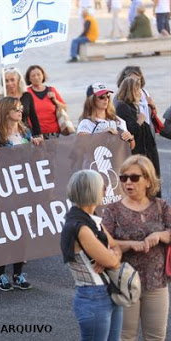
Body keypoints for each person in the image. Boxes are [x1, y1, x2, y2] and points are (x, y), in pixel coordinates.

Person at [102, 155, 170, 340]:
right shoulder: (112, 210)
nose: (128, 182)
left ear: (148, 180)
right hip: (124, 282)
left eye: (134, 177)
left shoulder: (161, 206)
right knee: (125, 337)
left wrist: (159, 235)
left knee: (156, 337)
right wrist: (131, 245)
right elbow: (103, 244)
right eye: (124, 178)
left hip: (156, 282)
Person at [61, 169, 123, 341]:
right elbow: (114, 260)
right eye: (102, 187)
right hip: (94, 297)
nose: (105, 190)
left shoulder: (91, 220)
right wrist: (110, 256)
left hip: (108, 293)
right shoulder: (81, 227)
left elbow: (116, 248)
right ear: (91, 191)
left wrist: (110, 255)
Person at [0, 97, 43, 291]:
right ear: (6, 111)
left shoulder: (25, 133)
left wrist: (36, 145)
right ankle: (0, 273)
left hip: (23, 188)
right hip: (6, 190)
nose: (20, 111)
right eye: (16, 108)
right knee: (6, 232)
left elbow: (33, 159)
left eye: (21, 108)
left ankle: (18, 273)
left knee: (22, 231)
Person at [115, 77, 160, 180]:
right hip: (135, 151)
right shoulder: (123, 107)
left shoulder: (133, 105)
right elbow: (131, 130)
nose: (140, 92)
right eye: (137, 89)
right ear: (131, 90)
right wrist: (140, 120)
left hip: (144, 149)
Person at [77, 83, 135, 150]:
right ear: (91, 100)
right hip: (94, 160)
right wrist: (103, 135)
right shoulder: (86, 123)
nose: (106, 99)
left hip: (116, 159)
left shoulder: (117, 120)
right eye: (101, 97)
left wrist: (130, 138)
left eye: (108, 96)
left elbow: (130, 148)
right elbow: (81, 144)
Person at [25, 65, 65, 138]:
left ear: (43, 75)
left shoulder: (51, 90)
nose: (36, 77)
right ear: (29, 79)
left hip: (53, 133)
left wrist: (55, 100)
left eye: (38, 74)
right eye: (33, 76)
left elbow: (64, 108)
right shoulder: (26, 93)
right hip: (35, 134)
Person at [3, 68, 41, 136]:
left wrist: (39, 135)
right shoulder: (2, 98)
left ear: (18, 81)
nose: (9, 83)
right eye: (6, 81)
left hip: (26, 133)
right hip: (8, 134)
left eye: (12, 80)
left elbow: (33, 118)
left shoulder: (27, 96)